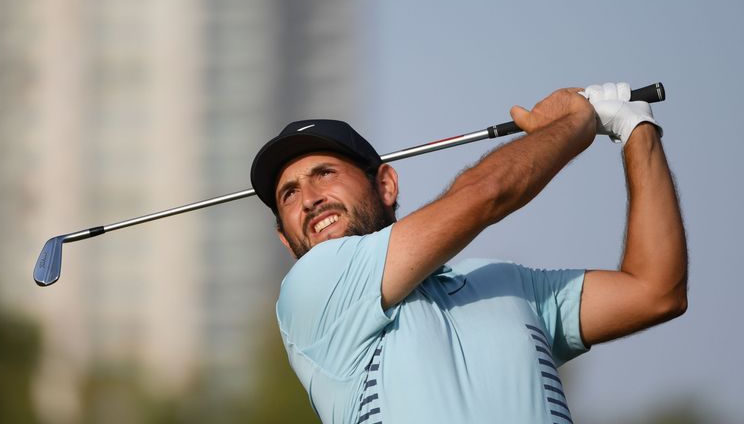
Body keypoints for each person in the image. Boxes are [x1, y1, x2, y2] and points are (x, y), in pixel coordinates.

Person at [249, 83, 687, 424]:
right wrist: (576, 123)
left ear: (385, 185)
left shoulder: (504, 282)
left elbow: (654, 291)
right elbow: (485, 193)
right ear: (285, 240)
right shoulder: (311, 292)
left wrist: (635, 131)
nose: (308, 199)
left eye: (324, 174)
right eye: (289, 194)